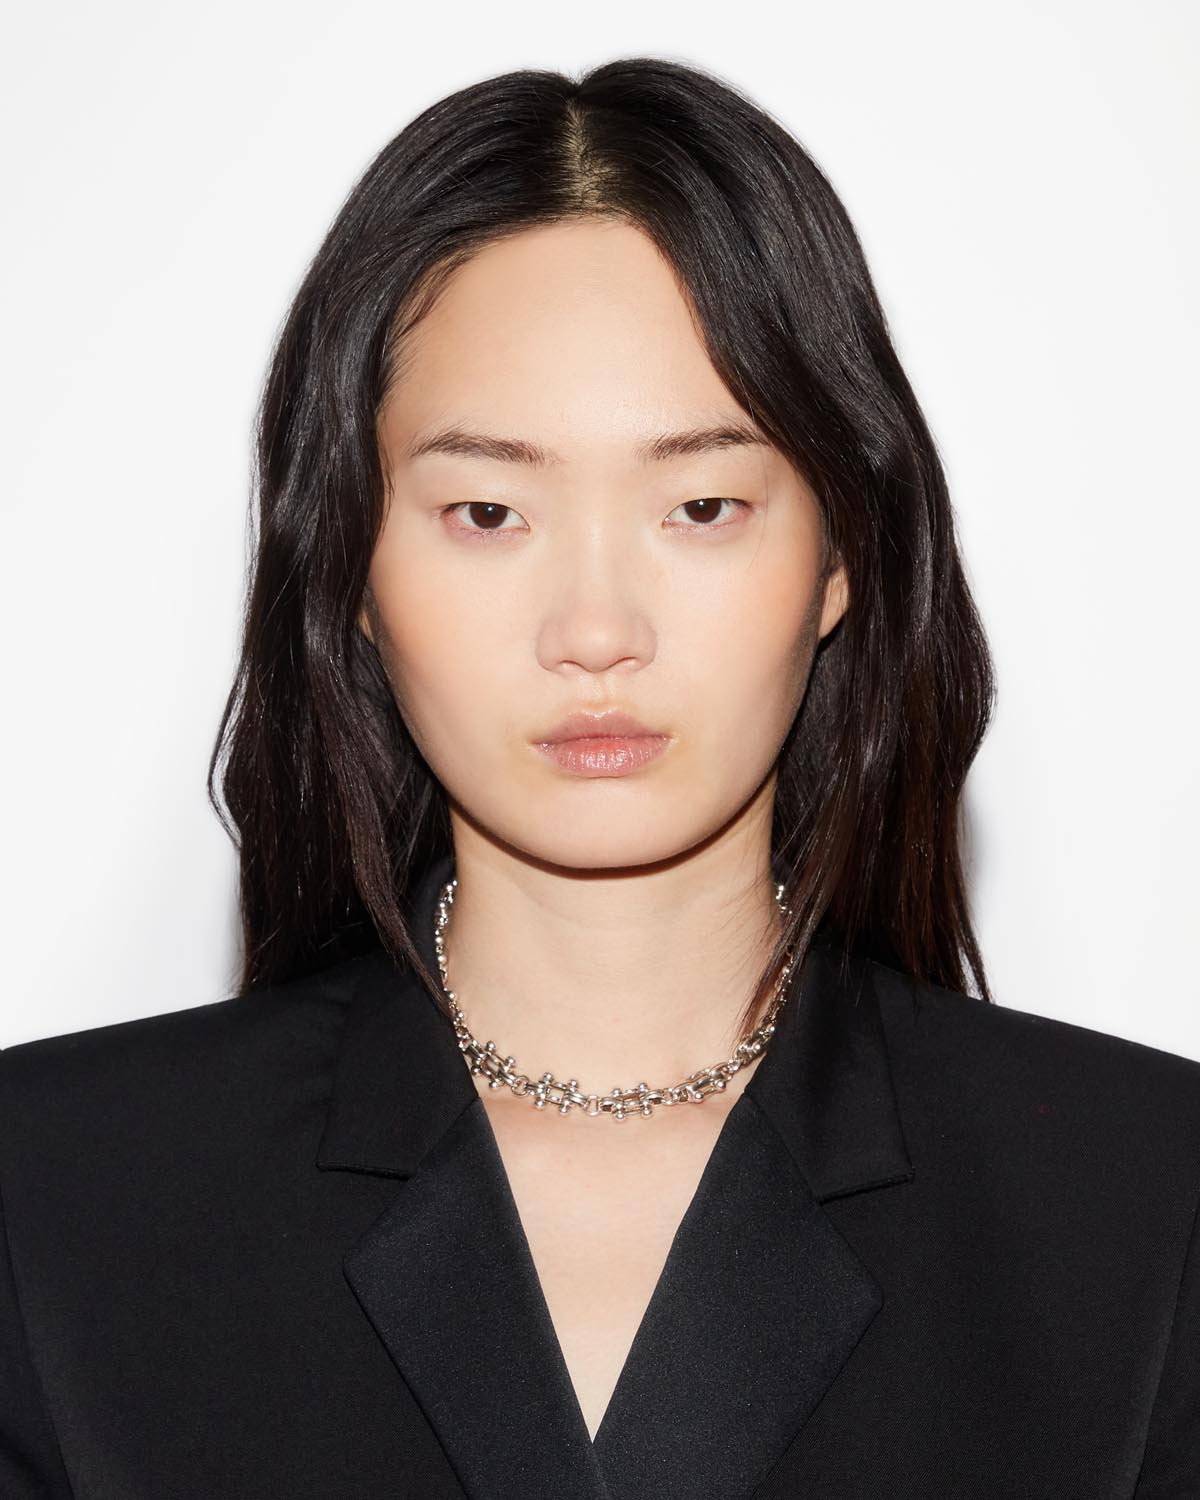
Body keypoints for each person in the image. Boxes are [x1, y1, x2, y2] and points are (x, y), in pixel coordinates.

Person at [1, 55, 1196, 1500]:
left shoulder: (1146, 1205)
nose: (595, 630)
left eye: (703, 505)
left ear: (841, 555)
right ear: (354, 571)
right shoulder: (56, 1195)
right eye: (486, 511)